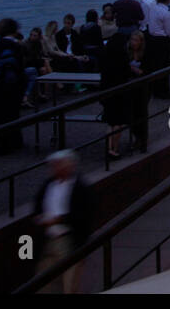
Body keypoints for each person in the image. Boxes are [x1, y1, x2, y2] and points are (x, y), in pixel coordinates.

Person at [33, 151, 95, 294]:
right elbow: (38, 205)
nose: (54, 168)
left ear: (69, 166)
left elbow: (85, 214)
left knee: (69, 284)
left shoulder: (80, 188)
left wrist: (60, 219)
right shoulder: (48, 184)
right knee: (44, 284)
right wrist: (39, 217)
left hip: (69, 241)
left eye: (58, 165)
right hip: (47, 239)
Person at [100, 31, 143, 159]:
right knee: (118, 122)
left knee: (110, 122)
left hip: (107, 91)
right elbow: (126, 73)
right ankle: (115, 147)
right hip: (120, 92)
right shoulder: (122, 56)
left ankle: (109, 148)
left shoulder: (105, 55)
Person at [0, 19, 26, 154]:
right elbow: (21, 67)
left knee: (0, 116)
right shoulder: (17, 47)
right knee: (13, 113)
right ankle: (16, 141)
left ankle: (2, 144)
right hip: (14, 86)